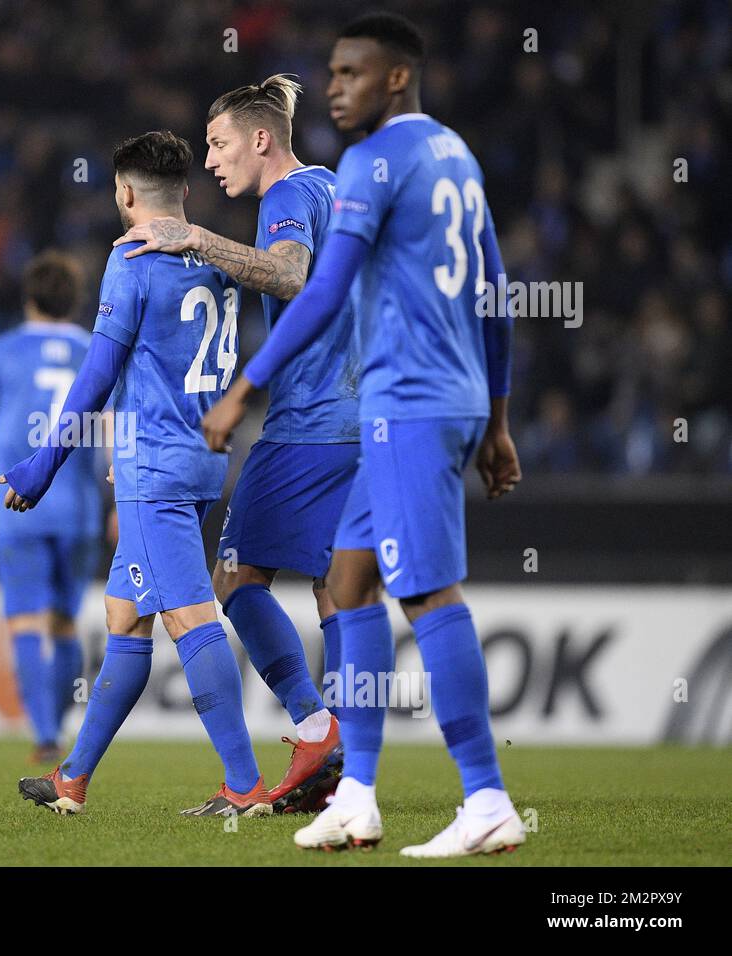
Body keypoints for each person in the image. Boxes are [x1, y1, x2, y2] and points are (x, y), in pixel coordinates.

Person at [202, 12, 525, 856]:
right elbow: (496, 290)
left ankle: (486, 798)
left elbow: (311, 290)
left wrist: (244, 391)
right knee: (348, 585)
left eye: (351, 74)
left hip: (409, 400)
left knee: (425, 595)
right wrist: (496, 419)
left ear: (395, 78)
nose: (335, 88)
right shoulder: (456, 154)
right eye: (331, 74)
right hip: (422, 401)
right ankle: (355, 793)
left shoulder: (372, 162)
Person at [4, 131, 271, 817]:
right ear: (183, 193)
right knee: (125, 617)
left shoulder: (132, 259)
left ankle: (244, 786)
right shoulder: (213, 255)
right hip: (204, 459)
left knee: (188, 617)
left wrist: (43, 463)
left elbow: (98, 376)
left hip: (154, 466)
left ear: (123, 194)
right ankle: (73, 780)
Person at [115, 74, 359, 813]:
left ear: (261, 139)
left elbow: (290, 275)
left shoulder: (285, 198)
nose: (211, 163)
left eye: (220, 144)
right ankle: (348, 759)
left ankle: (318, 729)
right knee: (333, 586)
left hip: (309, 421)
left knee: (236, 579)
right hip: (362, 415)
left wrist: (194, 236)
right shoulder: (334, 186)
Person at [0, 251, 103, 764]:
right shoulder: (95, 349)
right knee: (66, 623)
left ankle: (44, 734)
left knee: (24, 622)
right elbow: (110, 429)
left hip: (17, 502)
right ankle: (60, 726)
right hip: (78, 509)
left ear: (28, 296)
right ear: (77, 299)